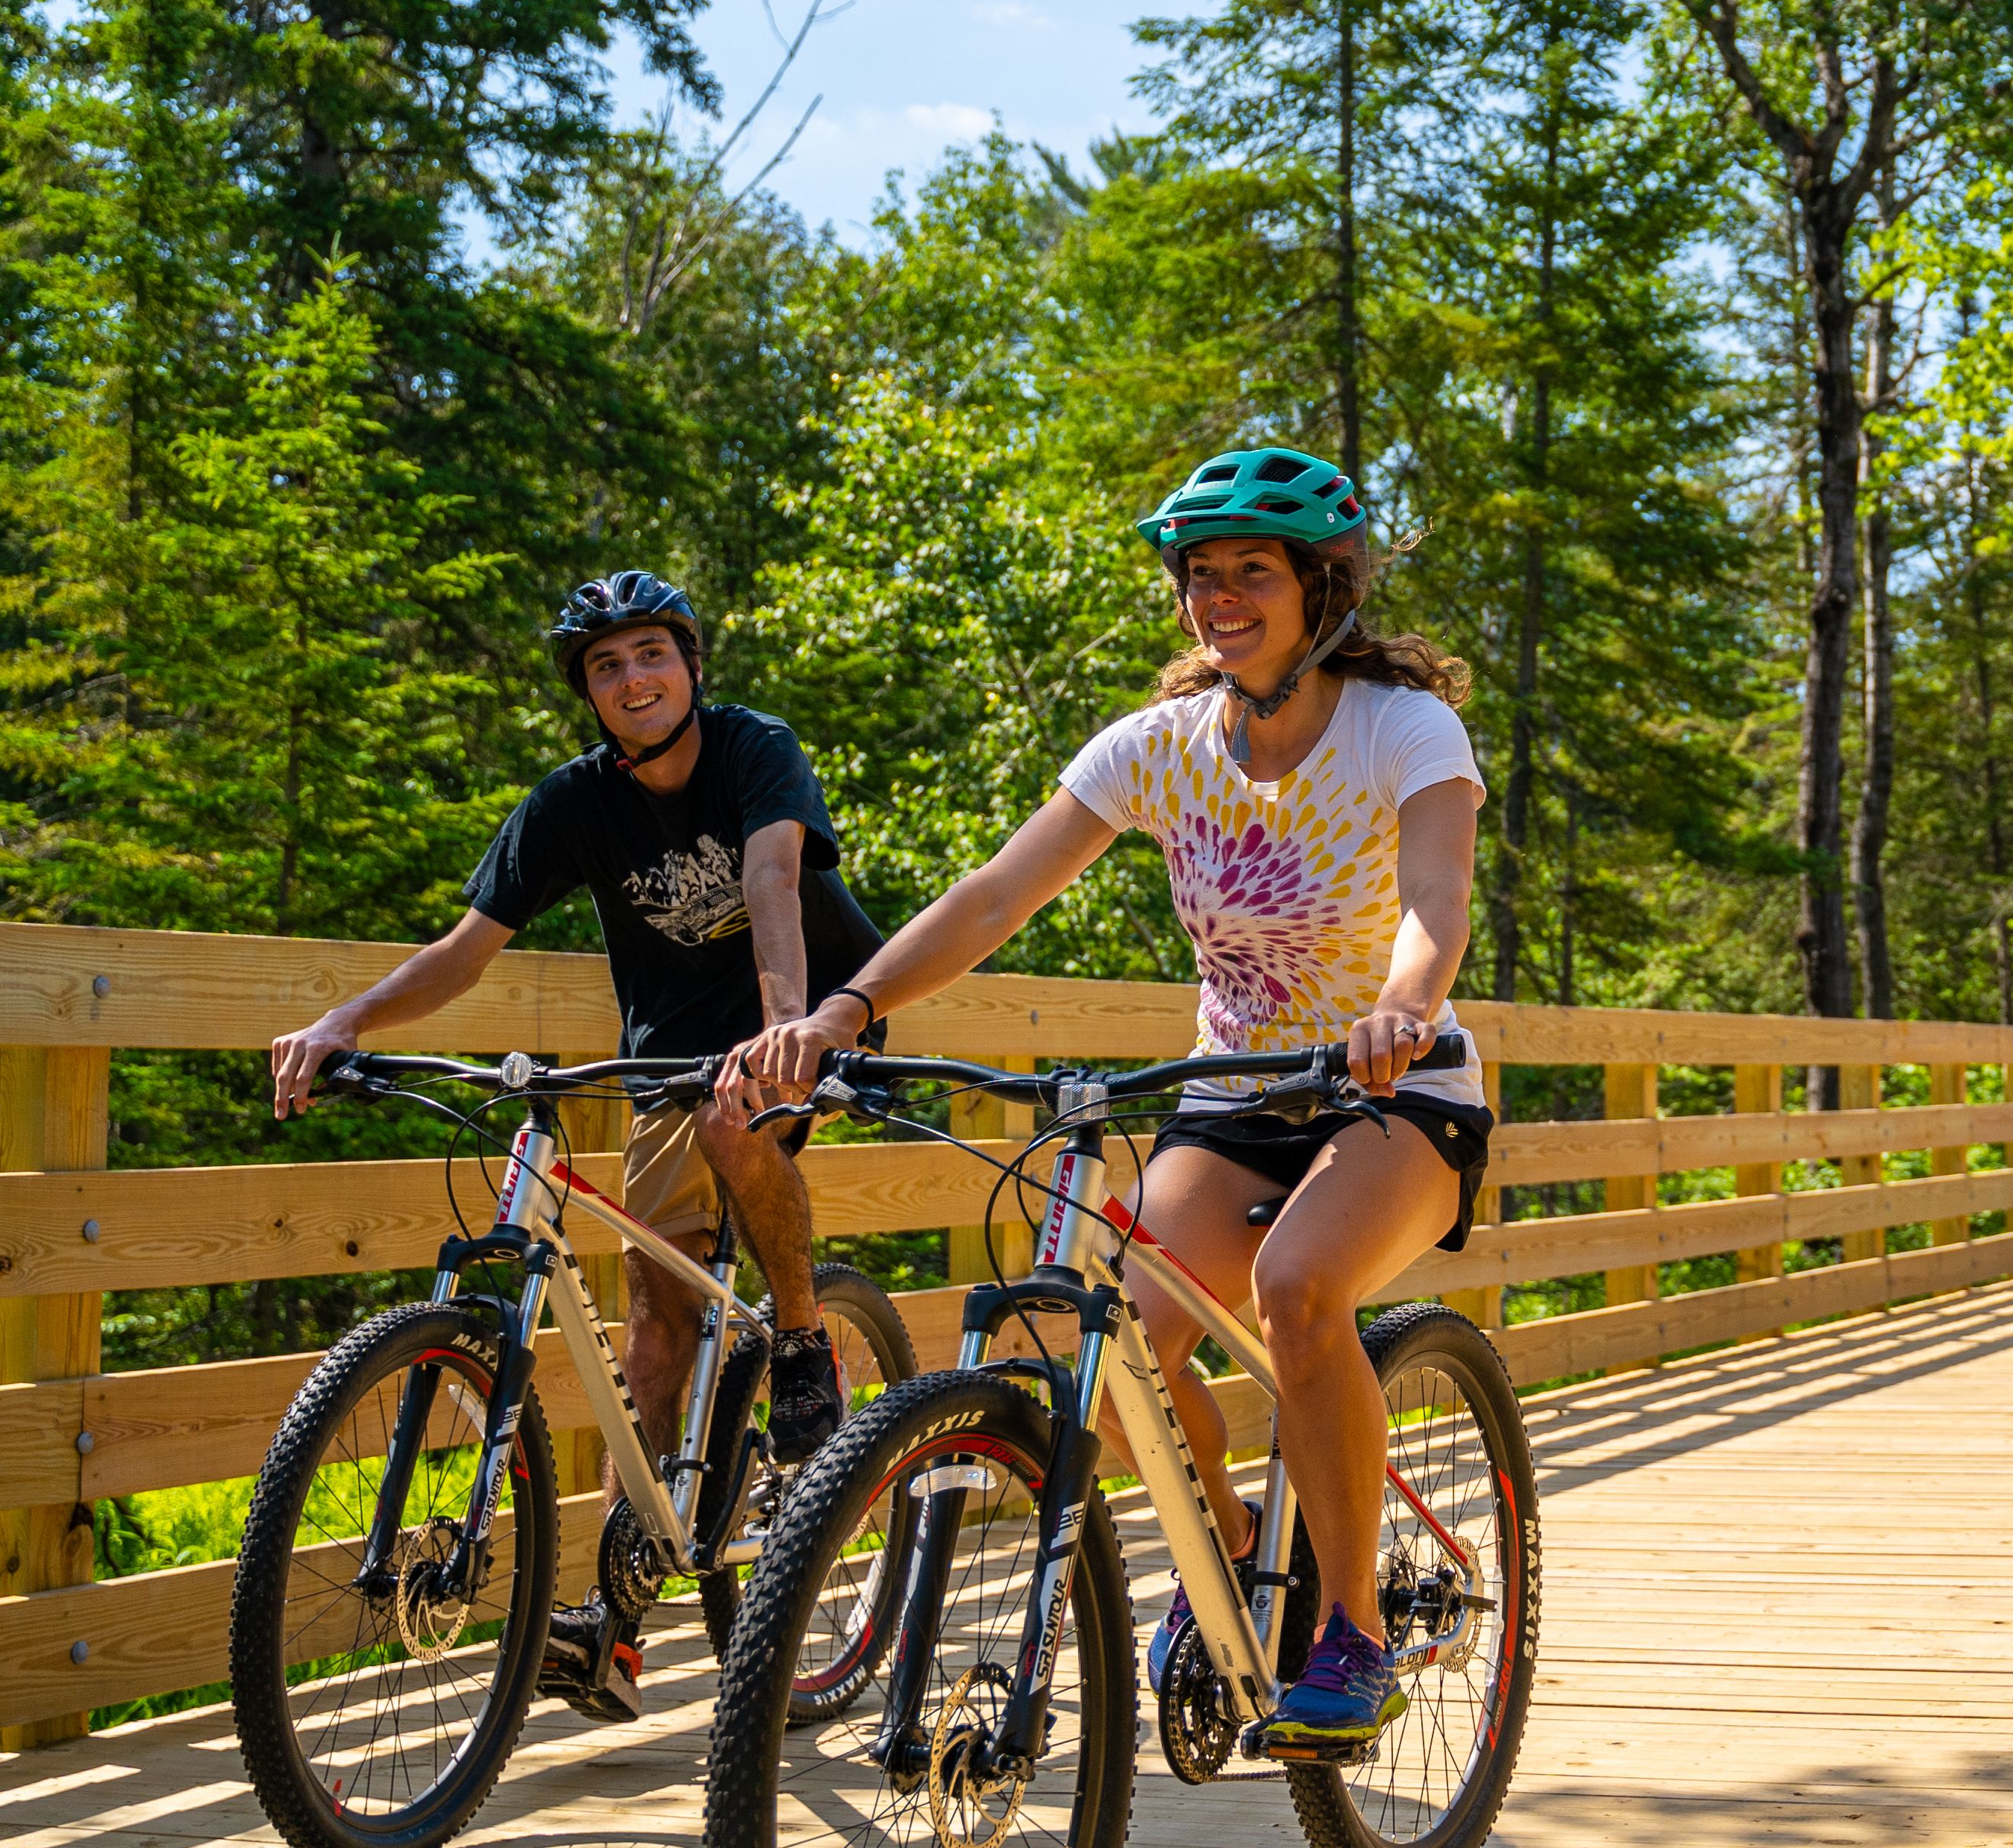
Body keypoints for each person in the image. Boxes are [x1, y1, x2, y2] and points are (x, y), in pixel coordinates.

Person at [727, 442, 1487, 1761]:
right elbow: (993, 897)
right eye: (1201, 575)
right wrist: (843, 1013)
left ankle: (1353, 1629)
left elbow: (1435, 899)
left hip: (1392, 1085)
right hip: (1236, 1095)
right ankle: (1242, 1557)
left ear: (1322, 586)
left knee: (1299, 1290)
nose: (1222, 597)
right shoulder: (1159, 747)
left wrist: (1404, 1006)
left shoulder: (1400, 727)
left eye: (1253, 571)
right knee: (1104, 1325)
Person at [266, 569, 890, 1723]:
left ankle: (803, 1341)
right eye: (606, 667)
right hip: (664, 1049)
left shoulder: (757, 749)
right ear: (589, 697)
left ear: (691, 667)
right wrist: (346, 1019)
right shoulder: (572, 803)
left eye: (652, 654)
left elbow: (770, 883)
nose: (633, 679)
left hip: (805, 1011)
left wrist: (787, 1033)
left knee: (739, 1122)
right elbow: (467, 947)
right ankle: (615, 1626)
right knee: (654, 1322)